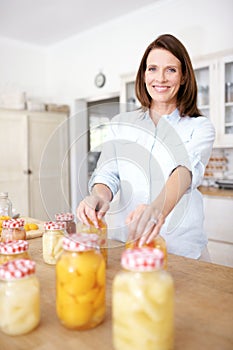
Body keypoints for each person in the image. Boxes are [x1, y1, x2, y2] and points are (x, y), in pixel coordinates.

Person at [77, 34, 215, 259]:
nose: (160, 78)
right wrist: (98, 197)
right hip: (131, 247)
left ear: (183, 77)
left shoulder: (199, 127)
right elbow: (107, 174)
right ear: (143, 75)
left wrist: (156, 210)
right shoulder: (120, 124)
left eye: (171, 70)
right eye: (152, 69)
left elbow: (184, 171)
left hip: (183, 252)